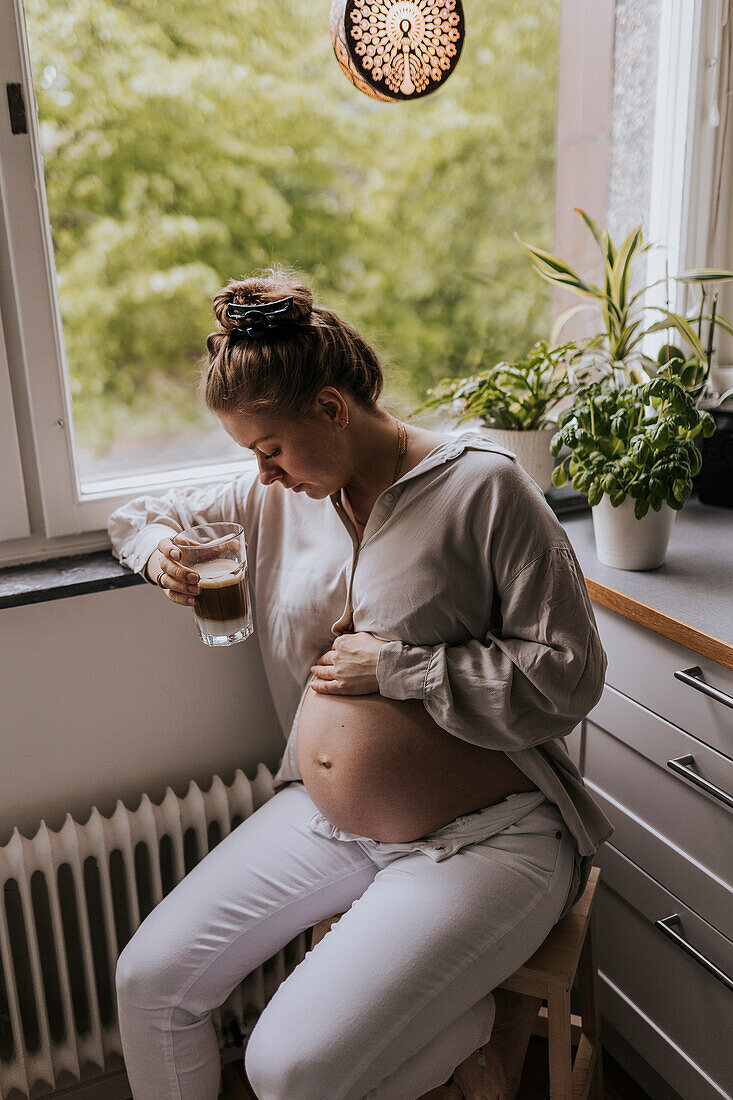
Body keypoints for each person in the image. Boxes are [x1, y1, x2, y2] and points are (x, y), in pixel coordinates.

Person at [107, 265, 614, 1100]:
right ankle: (442, 1022)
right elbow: (135, 516)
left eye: (270, 448)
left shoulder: (483, 488)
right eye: (249, 456)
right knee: (149, 982)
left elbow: (569, 675)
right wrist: (158, 552)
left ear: (332, 409)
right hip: (325, 814)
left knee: (284, 1070)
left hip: (488, 835)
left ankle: (465, 1021)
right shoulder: (283, 497)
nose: (263, 473)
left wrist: (401, 667)